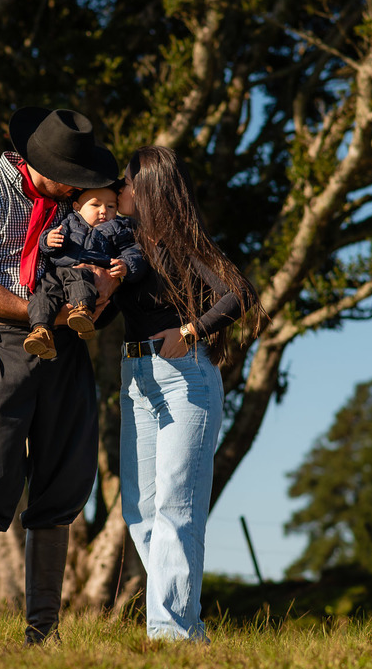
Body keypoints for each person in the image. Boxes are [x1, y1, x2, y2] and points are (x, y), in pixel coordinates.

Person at [0, 106, 120, 645]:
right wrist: (42, 313)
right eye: (75, 180)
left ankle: (44, 634)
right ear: (43, 165)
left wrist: (106, 286)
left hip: (66, 348)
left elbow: (111, 262)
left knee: (62, 484)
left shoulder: (80, 209)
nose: (82, 190)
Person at [101, 145, 263, 642]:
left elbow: (240, 294)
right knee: (141, 513)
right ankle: (186, 629)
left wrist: (191, 330)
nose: (119, 193)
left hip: (184, 376)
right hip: (136, 377)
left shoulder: (179, 244)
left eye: (126, 184)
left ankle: (169, 636)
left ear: (146, 188)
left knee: (176, 506)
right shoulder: (122, 244)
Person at [23, 182, 146, 360]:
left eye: (110, 206)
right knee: (43, 291)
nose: (103, 211)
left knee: (81, 278)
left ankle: (82, 313)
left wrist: (126, 265)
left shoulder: (118, 228)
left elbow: (134, 251)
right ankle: (41, 330)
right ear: (77, 207)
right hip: (61, 271)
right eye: (95, 205)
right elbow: (49, 239)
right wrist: (48, 240)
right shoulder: (69, 222)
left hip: (89, 274)